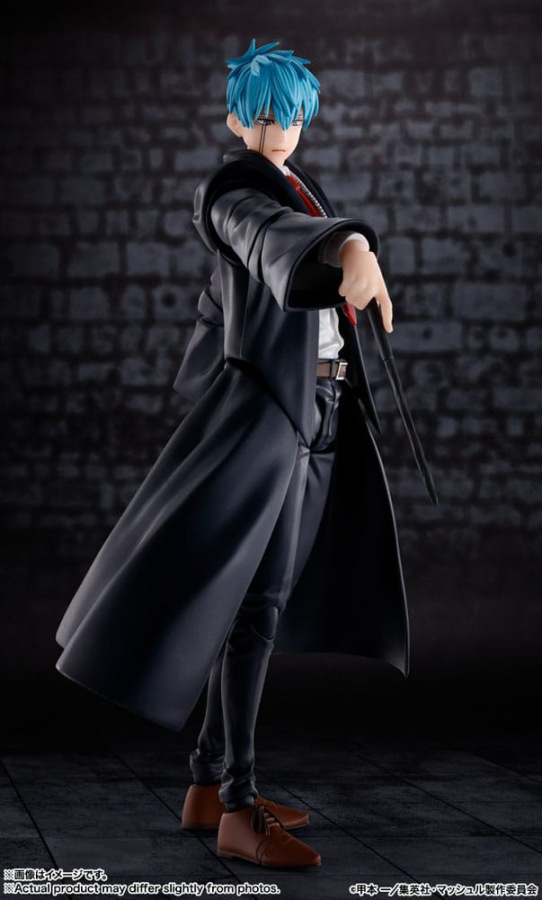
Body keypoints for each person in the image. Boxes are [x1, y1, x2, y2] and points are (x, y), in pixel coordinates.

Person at [55, 40, 411, 869]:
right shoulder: (232, 191)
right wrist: (350, 249)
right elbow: (266, 238)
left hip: (319, 412)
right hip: (275, 420)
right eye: (264, 114)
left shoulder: (298, 184)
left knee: (261, 606)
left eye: (292, 114)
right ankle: (240, 808)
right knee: (255, 612)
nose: (280, 127)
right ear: (235, 120)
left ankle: (208, 786)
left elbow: (248, 278)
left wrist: (334, 259)